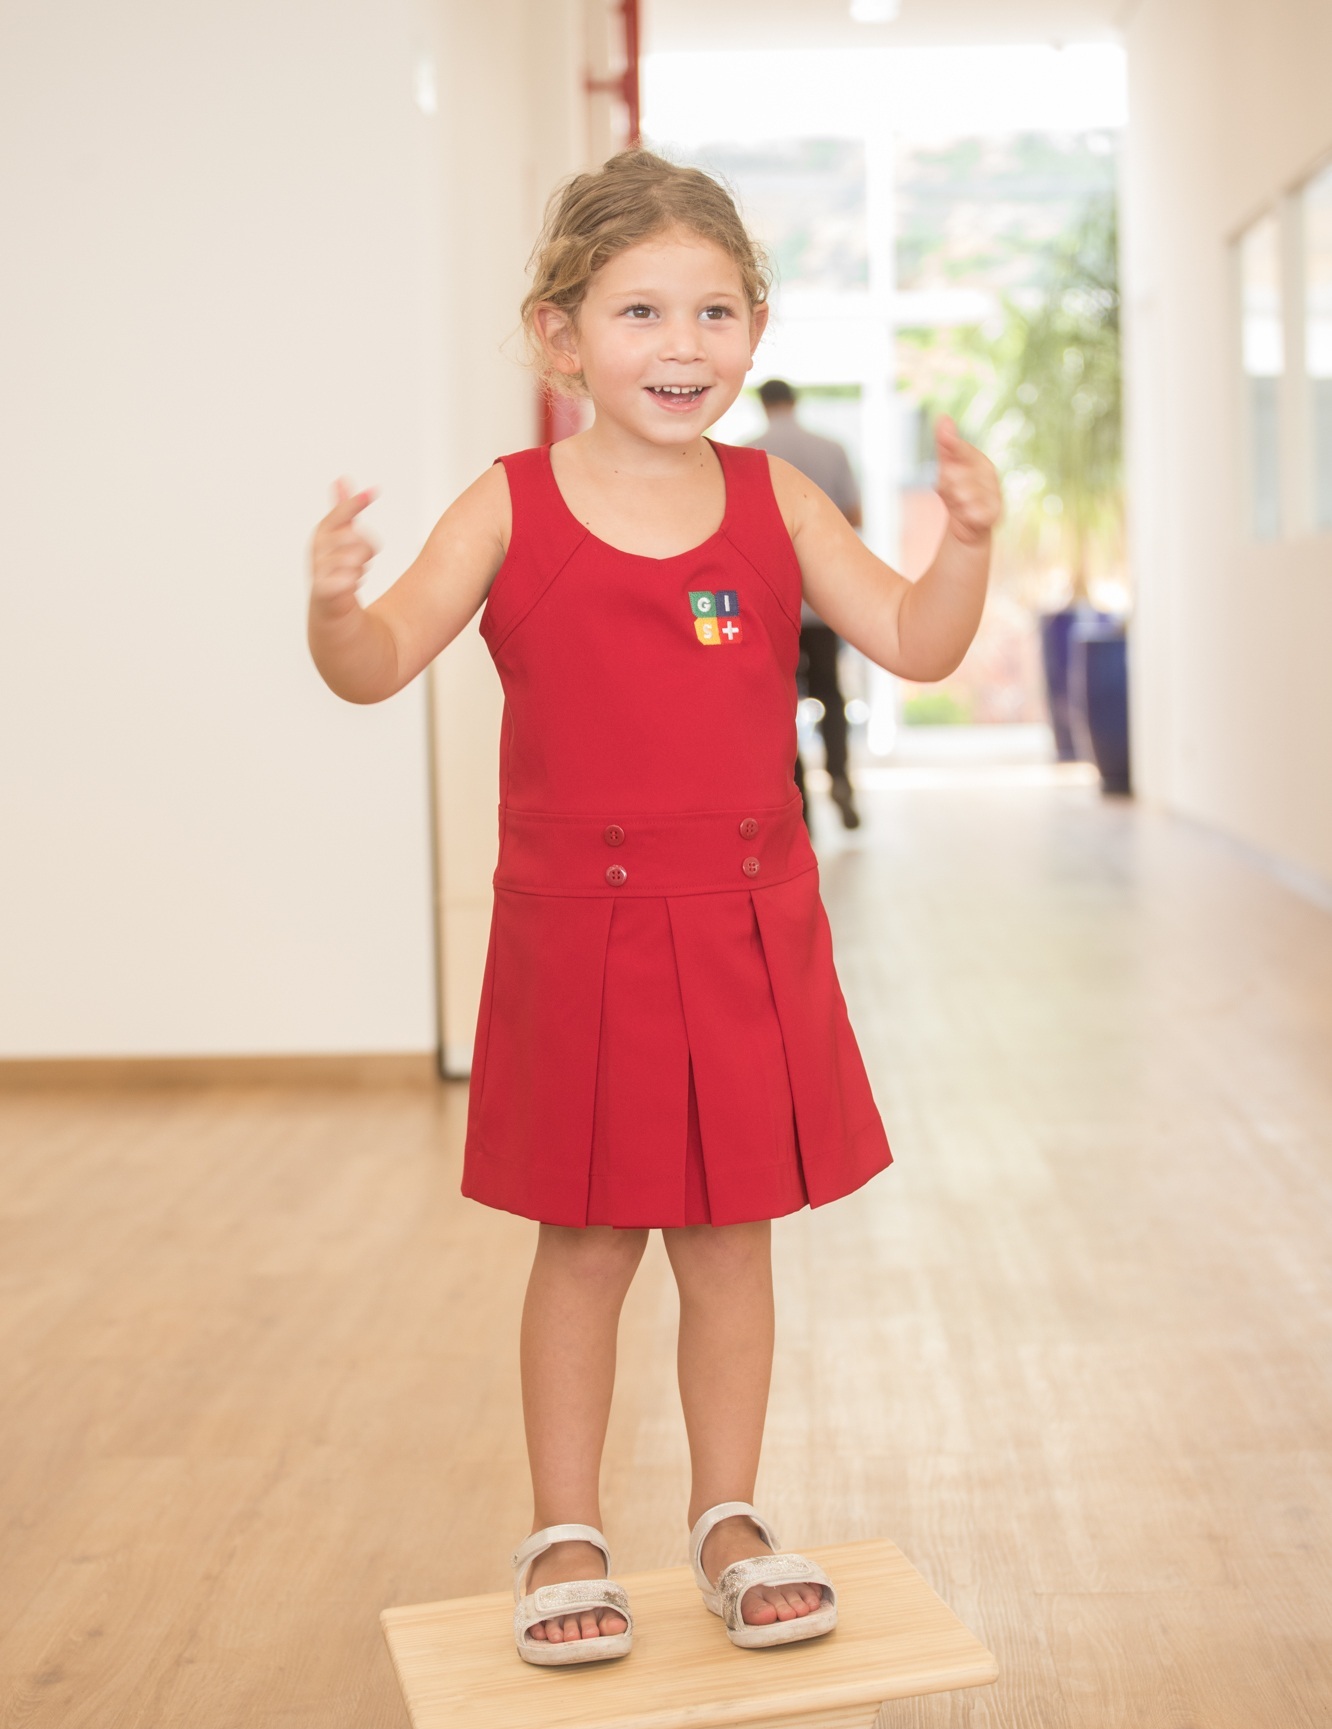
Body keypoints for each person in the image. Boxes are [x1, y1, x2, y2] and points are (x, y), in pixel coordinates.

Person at [307, 150, 1000, 1669]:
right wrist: (336, 611)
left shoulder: (777, 499)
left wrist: (970, 541)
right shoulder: (505, 506)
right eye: (638, 312)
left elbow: (915, 640)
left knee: (732, 1239)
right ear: (560, 335)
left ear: (752, 326)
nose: (680, 345)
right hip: (583, 931)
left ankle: (731, 1519)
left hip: (748, 924)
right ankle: (564, 1527)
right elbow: (378, 666)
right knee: (588, 1238)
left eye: (712, 310)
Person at [747, 379, 864, 830]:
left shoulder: (749, 456)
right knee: (831, 695)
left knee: (783, 703)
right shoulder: (830, 449)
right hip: (824, 602)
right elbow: (855, 515)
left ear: (763, 404)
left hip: (774, 605)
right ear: (795, 403)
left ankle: (798, 804)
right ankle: (840, 782)